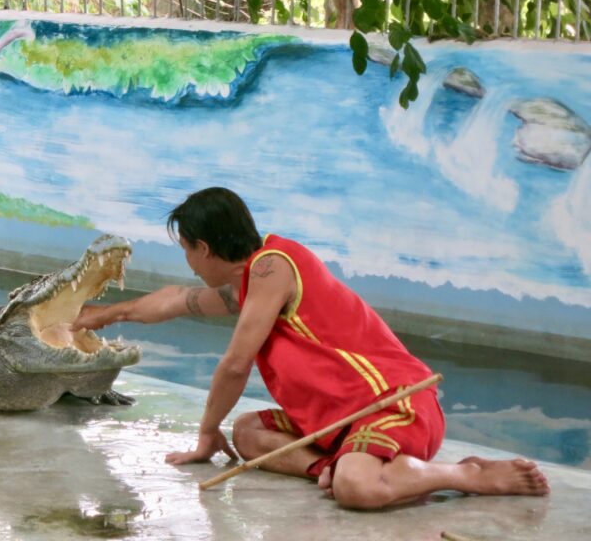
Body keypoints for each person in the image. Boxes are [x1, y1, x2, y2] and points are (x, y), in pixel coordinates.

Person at [73, 187, 550, 509]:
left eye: (186, 250)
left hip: (391, 405)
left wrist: (205, 432)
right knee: (249, 434)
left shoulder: (272, 265)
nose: (188, 264)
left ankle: (464, 474)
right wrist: (102, 314)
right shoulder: (249, 285)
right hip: (336, 424)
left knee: (356, 489)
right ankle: (334, 466)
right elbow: (176, 301)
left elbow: (236, 364)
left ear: (204, 246)